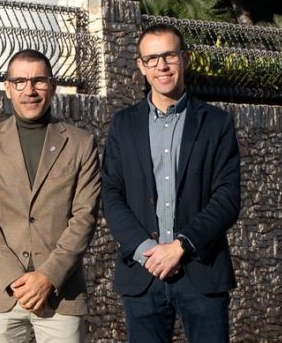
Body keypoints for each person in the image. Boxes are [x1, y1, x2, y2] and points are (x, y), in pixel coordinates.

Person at [101, 24, 241, 342]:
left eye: (169, 56)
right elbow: (111, 194)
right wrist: (148, 250)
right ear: (141, 66)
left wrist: (180, 246)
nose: (161, 66)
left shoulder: (217, 123)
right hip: (143, 273)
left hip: (201, 270)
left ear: (185, 58)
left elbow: (228, 197)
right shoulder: (123, 125)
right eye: (151, 58)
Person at [0, 49, 101, 343]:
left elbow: (84, 217)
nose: (30, 90)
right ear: (7, 87)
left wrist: (48, 277)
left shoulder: (81, 144)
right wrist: (15, 278)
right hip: (1, 292)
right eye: (20, 81)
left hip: (61, 293)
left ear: (52, 86)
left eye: (39, 81)